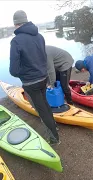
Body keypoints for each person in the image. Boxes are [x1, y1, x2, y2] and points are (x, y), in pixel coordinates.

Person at [9, 10, 60, 145]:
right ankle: (54, 126)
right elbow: (43, 58)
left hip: (30, 83)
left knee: (41, 110)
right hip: (43, 78)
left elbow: (13, 70)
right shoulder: (39, 36)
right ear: (26, 21)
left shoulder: (16, 41)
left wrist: (24, 73)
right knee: (45, 105)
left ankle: (54, 138)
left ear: (16, 24)